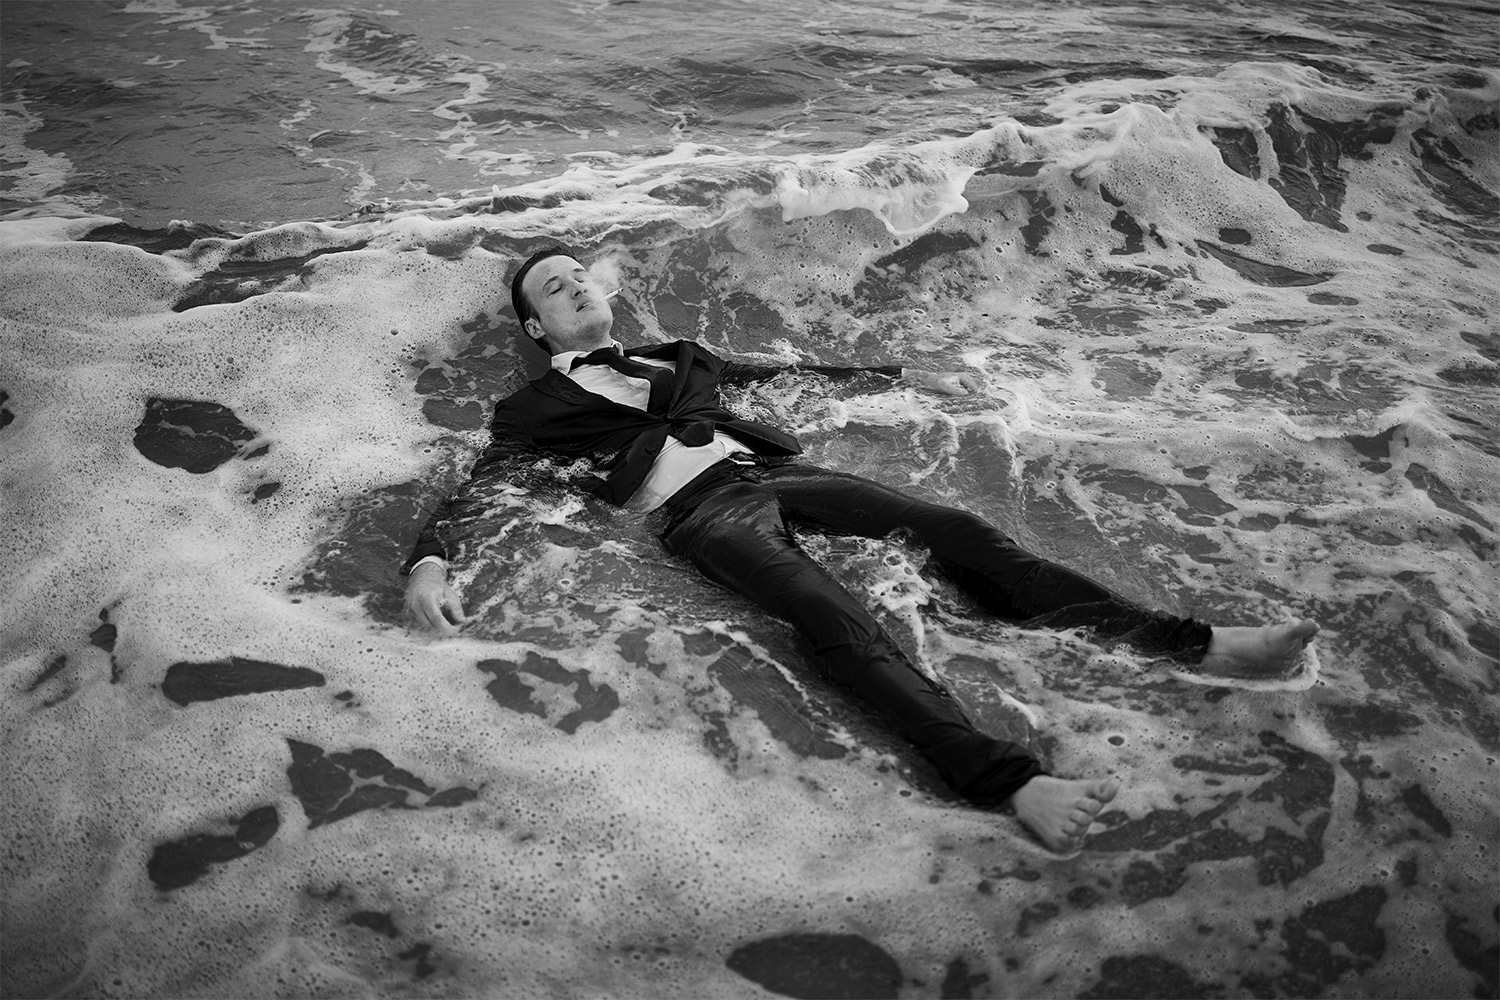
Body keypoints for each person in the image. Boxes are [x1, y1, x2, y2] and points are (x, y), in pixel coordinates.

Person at [403, 246, 1318, 853]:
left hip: (776, 474)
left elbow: (789, 374)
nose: (576, 288)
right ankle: (1005, 783)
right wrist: (432, 561)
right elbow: (483, 486)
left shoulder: (682, 356)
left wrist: (902, 377)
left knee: (959, 532)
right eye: (553, 289)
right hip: (700, 514)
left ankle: (1193, 644)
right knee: (827, 611)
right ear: (537, 330)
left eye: (580, 275)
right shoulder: (531, 409)